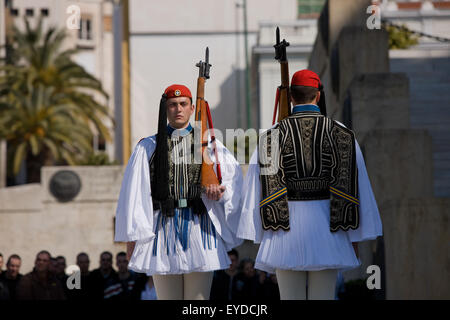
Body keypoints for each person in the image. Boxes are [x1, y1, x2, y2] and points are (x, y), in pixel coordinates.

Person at [237, 69, 383, 300]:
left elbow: (255, 188)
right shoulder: (343, 134)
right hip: (329, 228)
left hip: (284, 230)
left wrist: (256, 231)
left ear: (291, 97)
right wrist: (356, 234)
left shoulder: (270, 136)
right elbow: (359, 186)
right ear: (318, 96)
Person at [115, 84, 244, 300]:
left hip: (199, 229)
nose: (178, 109)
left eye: (183, 104)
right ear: (165, 108)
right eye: (172, 105)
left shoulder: (210, 146)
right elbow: (135, 196)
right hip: (162, 231)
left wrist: (219, 193)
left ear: (192, 108)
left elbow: (233, 183)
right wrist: (132, 238)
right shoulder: (148, 147)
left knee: (198, 302)